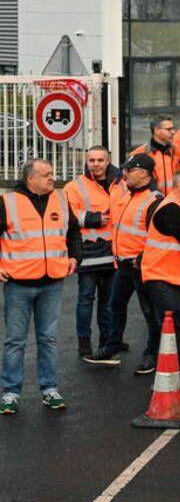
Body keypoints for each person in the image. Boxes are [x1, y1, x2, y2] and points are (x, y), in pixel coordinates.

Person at [0, 159, 81, 414]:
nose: (51, 178)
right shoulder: (8, 203)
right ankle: (10, 393)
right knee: (15, 341)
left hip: (52, 282)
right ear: (29, 179)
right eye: (46, 175)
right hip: (18, 284)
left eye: (52, 174)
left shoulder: (61, 199)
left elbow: (73, 233)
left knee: (48, 338)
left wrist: (74, 257)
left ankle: (49, 389)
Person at [142, 167, 180, 402]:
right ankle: (176, 386)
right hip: (163, 280)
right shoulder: (169, 210)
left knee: (175, 334)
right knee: (172, 334)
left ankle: (171, 382)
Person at [97, 153, 162, 372]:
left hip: (141, 267)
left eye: (129, 170)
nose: (124, 173)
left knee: (150, 313)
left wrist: (141, 258)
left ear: (143, 174)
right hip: (124, 265)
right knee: (116, 304)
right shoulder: (128, 195)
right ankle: (113, 345)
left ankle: (152, 354)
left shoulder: (154, 200)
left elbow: (156, 238)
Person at [66, 146, 120, 362]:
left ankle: (106, 343)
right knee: (86, 299)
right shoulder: (75, 186)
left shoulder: (120, 184)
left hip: (112, 250)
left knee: (108, 301)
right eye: (92, 160)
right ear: (86, 162)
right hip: (87, 250)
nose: (96, 164)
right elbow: (68, 215)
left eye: (100, 160)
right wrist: (92, 218)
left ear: (108, 161)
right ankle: (84, 344)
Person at [129, 116, 180, 193]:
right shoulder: (142, 152)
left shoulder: (176, 151)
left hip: (173, 201)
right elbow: (129, 179)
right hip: (152, 201)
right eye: (168, 129)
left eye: (173, 128)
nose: (173, 132)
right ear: (157, 130)